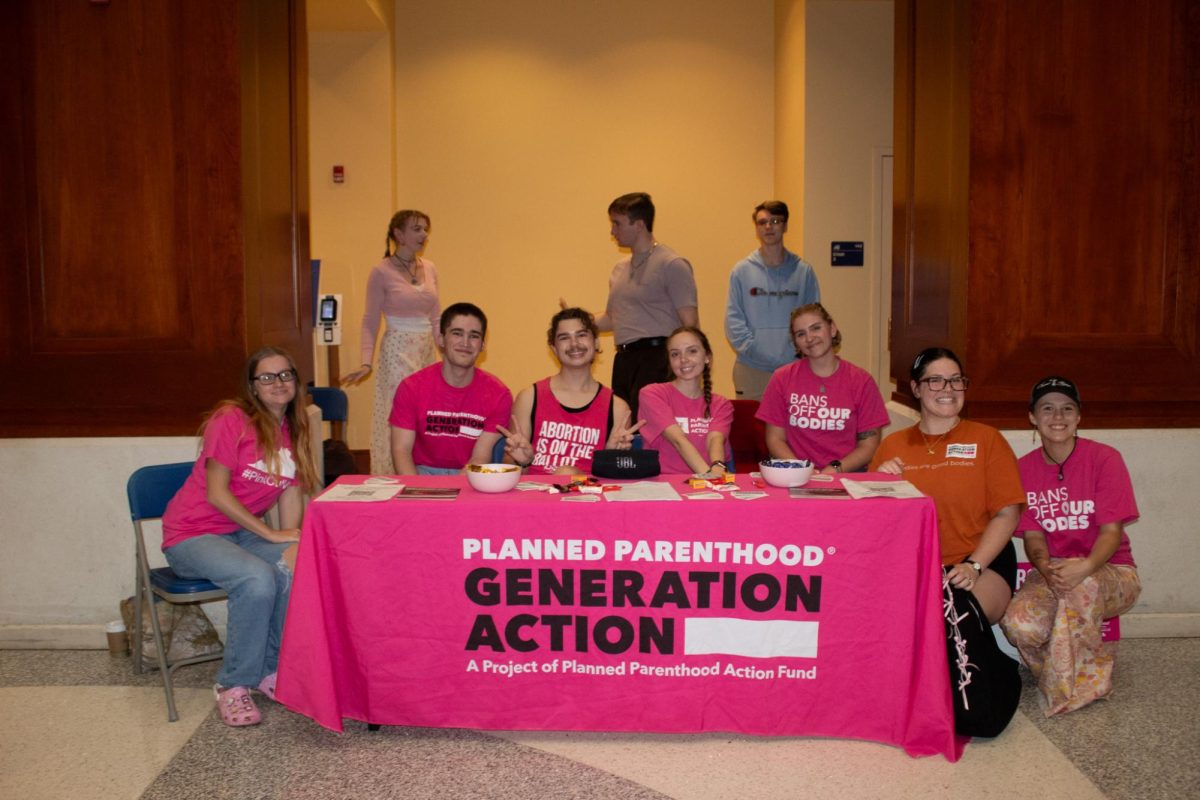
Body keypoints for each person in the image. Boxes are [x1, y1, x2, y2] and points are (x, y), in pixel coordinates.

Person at [161, 346, 320, 727]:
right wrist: (269, 532)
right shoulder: (230, 419)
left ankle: (271, 670)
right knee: (256, 579)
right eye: (266, 377)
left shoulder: (292, 429)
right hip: (192, 534)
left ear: (297, 383)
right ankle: (232, 684)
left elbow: (290, 498)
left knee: (295, 565)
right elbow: (217, 493)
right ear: (252, 386)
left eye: (285, 375)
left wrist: (291, 541)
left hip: (237, 533)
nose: (278, 383)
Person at [871, 347, 1025, 737]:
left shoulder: (986, 440)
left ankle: (980, 708)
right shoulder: (892, 447)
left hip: (981, 562)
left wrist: (973, 566)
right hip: (916, 567)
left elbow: (1007, 513)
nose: (947, 388)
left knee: (950, 602)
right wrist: (884, 484)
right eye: (936, 380)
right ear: (916, 389)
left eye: (956, 380)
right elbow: (877, 525)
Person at [1001, 377, 1142, 716]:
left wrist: (1086, 566)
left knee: (1083, 586)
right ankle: (1064, 668)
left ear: (1079, 417)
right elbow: (1033, 536)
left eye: (1067, 409)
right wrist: (1045, 567)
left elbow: (1111, 532)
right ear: (1033, 417)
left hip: (1112, 571)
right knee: (1018, 623)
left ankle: (1073, 691)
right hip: (1055, 568)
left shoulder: (1105, 459)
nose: (1058, 417)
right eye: (1046, 408)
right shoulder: (1023, 468)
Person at [565, 192, 698, 420]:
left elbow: (691, 325)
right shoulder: (619, 269)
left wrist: (688, 369)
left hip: (657, 358)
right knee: (624, 425)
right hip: (625, 359)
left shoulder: (672, 264)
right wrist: (577, 320)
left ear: (638, 224)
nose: (612, 231)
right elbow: (613, 318)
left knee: (650, 427)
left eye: (617, 224)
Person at [341, 210, 441, 474]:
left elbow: (436, 317)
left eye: (426, 229)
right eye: (417, 229)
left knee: (425, 411)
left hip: (425, 349)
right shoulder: (381, 271)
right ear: (399, 234)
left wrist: (449, 349)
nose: (424, 235)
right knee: (403, 410)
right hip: (397, 348)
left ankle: (422, 470)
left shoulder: (429, 267)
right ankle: (395, 474)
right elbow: (369, 320)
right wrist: (365, 362)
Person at [498, 308, 642, 475]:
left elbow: (615, 482)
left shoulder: (617, 408)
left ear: (596, 342)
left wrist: (610, 456)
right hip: (536, 497)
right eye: (564, 337)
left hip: (587, 496)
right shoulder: (529, 397)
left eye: (581, 335)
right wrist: (521, 463)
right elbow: (508, 466)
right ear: (553, 348)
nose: (574, 344)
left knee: (566, 473)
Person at [756, 304, 888, 473]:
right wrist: (801, 469)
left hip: (846, 476)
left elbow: (869, 445)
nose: (809, 338)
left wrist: (834, 469)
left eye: (816, 328)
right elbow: (775, 439)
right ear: (796, 342)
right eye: (801, 334)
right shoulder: (781, 378)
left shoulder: (861, 381)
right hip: (796, 474)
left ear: (832, 329)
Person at [388, 302, 512, 475]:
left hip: (470, 475)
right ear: (441, 339)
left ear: (483, 345)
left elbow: (480, 458)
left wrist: (454, 496)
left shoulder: (499, 395)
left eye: (474, 336)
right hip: (419, 474)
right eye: (457, 333)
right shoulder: (411, 388)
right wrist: (418, 494)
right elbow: (401, 451)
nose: (465, 343)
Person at [725, 200, 821, 401]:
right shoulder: (741, 271)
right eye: (763, 222)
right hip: (752, 369)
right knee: (753, 431)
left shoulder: (803, 272)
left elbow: (814, 321)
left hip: (794, 369)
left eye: (776, 221)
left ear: (785, 226)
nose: (769, 227)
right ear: (757, 229)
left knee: (794, 431)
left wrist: (792, 354)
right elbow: (733, 323)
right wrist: (758, 352)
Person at [638, 327, 734, 476]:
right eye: (675, 354)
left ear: (707, 357)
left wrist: (717, 469)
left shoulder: (721, 403)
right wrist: (708, 476)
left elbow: (715, 440)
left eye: (692, 351)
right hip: (663, 484)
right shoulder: (652, 394)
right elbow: (678, 440)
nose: (683, 359)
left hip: (706, 481)